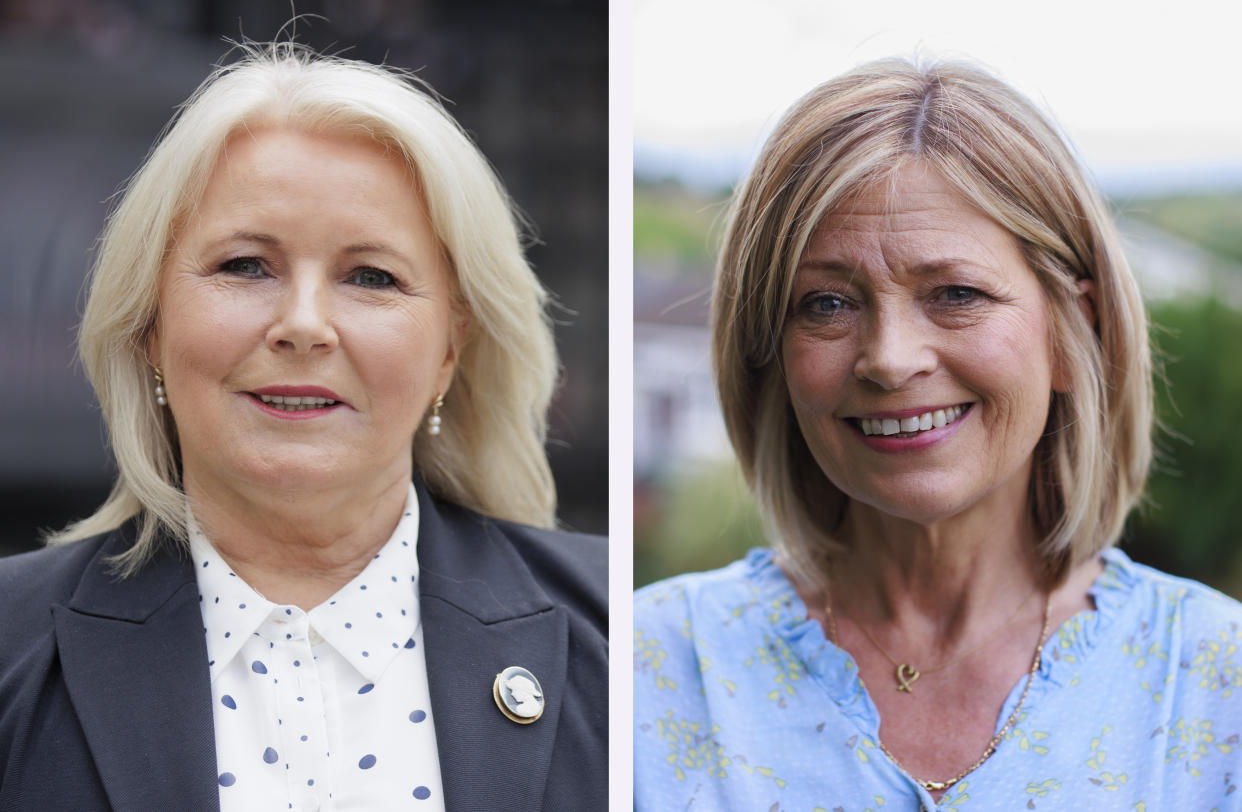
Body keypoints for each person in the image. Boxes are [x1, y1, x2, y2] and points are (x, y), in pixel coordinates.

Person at [0, 42, 606, 811]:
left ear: (450, 350)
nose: (304, 325)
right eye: (246, 266)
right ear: (150, 323)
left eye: (371, 277)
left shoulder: (618, 634)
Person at [634, 58, 1242, 810]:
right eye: (826, 304)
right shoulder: (645, 668)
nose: (889, 358)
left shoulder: (1215, 683)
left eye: (955, 294)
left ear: (1071, 329)